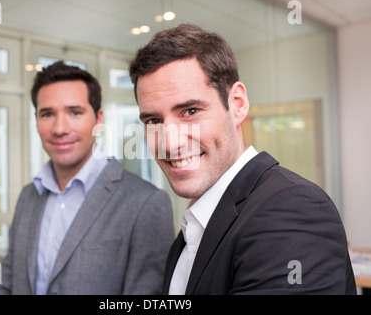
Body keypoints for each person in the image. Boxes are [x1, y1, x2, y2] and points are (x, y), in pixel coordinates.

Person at [129, 23, 356, 295]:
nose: (171, 142)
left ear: (237, 103)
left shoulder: (291, 209)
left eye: (190, 111)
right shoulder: (195, 227)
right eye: (153, 120)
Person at [0, 61, 174, 295]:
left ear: (98, 119)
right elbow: (6, 283)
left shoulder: (146, 204)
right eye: (47, 114)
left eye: (74, 112)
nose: (60, 128)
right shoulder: (28, 196)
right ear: (36, 120)